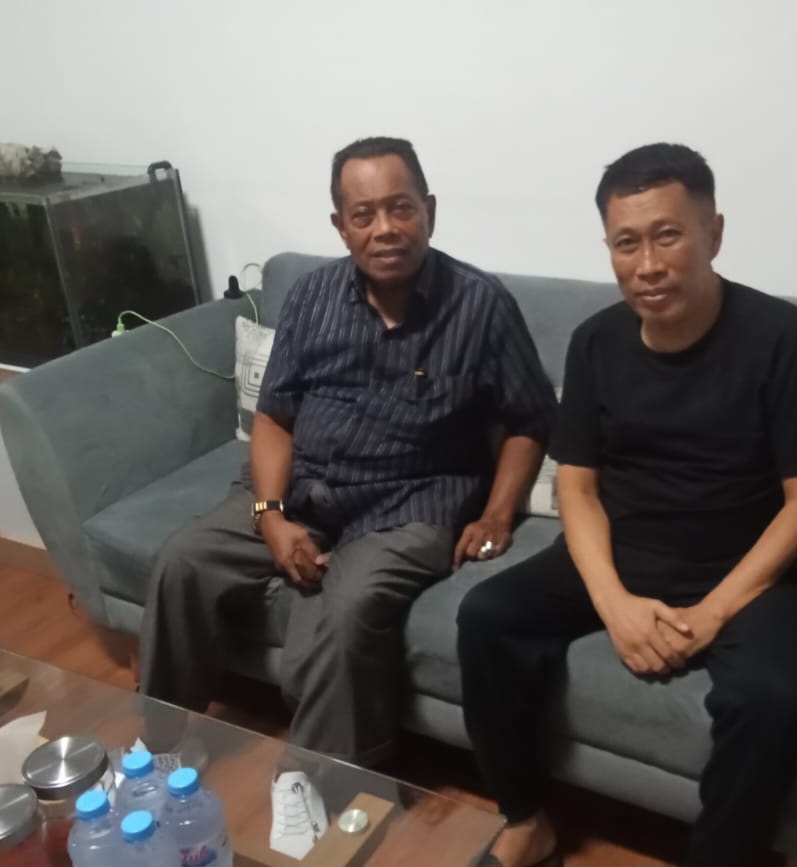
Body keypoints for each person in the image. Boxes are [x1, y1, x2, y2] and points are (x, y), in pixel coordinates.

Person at [138, 136, 557, 858]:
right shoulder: (312, 296)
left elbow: (528, 420)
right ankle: (163, 744)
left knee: (351, 604)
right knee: (181, 560)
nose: (384, 228)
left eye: (401, 208)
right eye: (364, 214)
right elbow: (274, 416)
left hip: (413, 504)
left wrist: (496, 513)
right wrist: (271, 518)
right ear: (340, 226)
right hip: (302, 488)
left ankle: (310, 776)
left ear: (429, 211)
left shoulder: (481, 304)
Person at [457, 143, 797, 867]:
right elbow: (577, 485)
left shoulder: (780, 335)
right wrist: (613, 603)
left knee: (772, 697)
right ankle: (526, 817)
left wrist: (713, 612)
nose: (647, 265)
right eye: (626, 243)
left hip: (749, 570)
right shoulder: (595, 342)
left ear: (713, 233)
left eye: (667, 236)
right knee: (486, 616)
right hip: (626, 549)